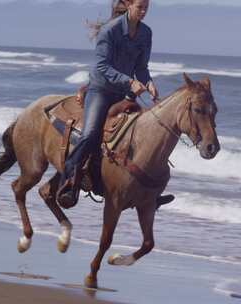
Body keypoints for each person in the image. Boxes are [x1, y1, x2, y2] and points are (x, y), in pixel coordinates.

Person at [57, 0, 172, 208]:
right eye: (140, 7)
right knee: (90, 134)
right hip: (101, 90)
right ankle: (68, 179)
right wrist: (129, 81)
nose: (144, 11)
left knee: (142, 137)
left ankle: (145, 193)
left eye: (147, 7)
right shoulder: (110, 30)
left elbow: (141, 67)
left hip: (125, 93)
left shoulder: (146, 33)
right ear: (129, 5)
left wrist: (149, 83)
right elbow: (101, 66)